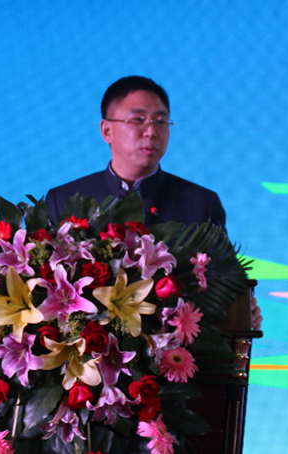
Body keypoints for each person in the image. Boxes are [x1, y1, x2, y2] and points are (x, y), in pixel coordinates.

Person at [45, 76, 262, 330]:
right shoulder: (65, 200)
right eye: (138, 120)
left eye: (160, 121)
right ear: (106, 131)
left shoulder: (201, 204)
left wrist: (243, 311)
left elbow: (229, 288)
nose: (151, 131)